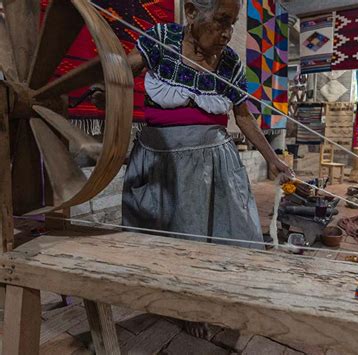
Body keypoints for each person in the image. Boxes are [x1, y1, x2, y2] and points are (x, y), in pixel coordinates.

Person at [93, 0, 292, 338]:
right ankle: (183, 304)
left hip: (213, 163)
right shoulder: (161, 39)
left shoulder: (229, 63)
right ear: (191, 13)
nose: (227, 34)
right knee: (176, 234)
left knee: (228, 232)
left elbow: (242, 116)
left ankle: (213, 297)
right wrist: (107, 90)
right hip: (162, 161)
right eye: (221, 21)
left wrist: (273, 159)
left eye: (233, 24)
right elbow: (122, 70)